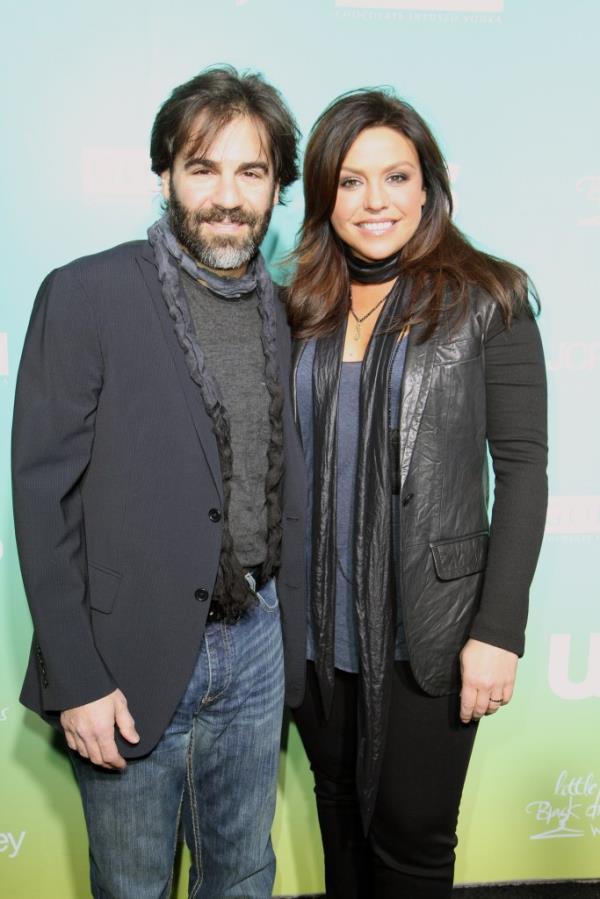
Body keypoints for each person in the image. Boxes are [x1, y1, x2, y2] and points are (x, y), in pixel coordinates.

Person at [12, 65, 306, 899]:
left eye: (251, 171)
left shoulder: (285, 312)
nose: (227, 195)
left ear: (277, 186)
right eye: (202, 167)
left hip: (255, 644)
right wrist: (78, 678)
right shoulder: (86, 293)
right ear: (165, 174)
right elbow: (42, 499)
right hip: (123, 655)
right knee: (134, 884)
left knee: (243, 873)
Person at [286, 89, 547, 899]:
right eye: (352, 181)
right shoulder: (300, 306)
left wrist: (498, 629)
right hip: (316, 633)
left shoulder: (489, 298)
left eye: (395, 177)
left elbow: (526, 468)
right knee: (338, 821)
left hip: (431, 631)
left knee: (413, 844)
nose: (375, 202)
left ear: (429, 187)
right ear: (324, 192)